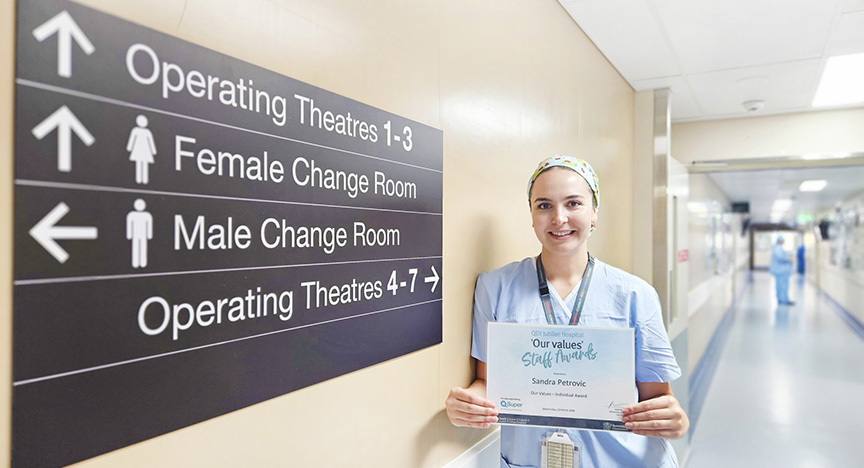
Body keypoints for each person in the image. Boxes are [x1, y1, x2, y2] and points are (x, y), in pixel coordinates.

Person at [445, 155, 688, 468]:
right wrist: (467, 403)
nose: (559, 218)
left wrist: (675, 419)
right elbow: (488, 381)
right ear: (531, 214)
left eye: (573, 203)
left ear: (594, 212)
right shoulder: (496, 287)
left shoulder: (634, 295)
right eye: (544, 205)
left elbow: (658, 399)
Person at [770, 236, 794, 305]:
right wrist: (788, 259)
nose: (784, 241)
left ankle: (781, 299)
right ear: (780, 241)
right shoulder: (778, 248)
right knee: (783, 286)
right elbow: (780, 257)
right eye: (783, 240)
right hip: (781, 271)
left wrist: (787, 256)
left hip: (780, 270)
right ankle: (784, 300)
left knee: (780, 286)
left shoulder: (778, 248)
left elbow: (781, 255)